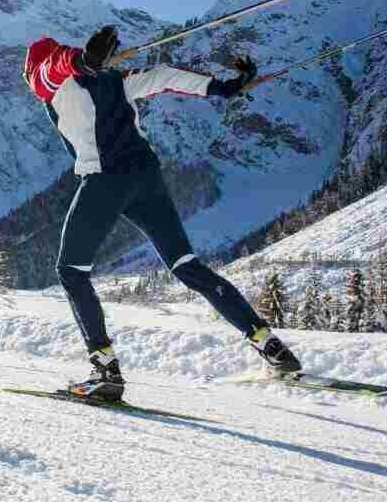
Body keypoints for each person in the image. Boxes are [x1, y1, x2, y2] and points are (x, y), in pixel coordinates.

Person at [23, 25, 301, 401]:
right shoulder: (115, 79)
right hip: (147, 179)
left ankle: (105, 370)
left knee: (71, 271)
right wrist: (224, 87)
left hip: (106, 180)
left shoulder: (48, 79)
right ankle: (270, 345)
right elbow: (163, 77)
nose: (31, 82)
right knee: (187, 266)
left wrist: (80, 61)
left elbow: (52, 68)